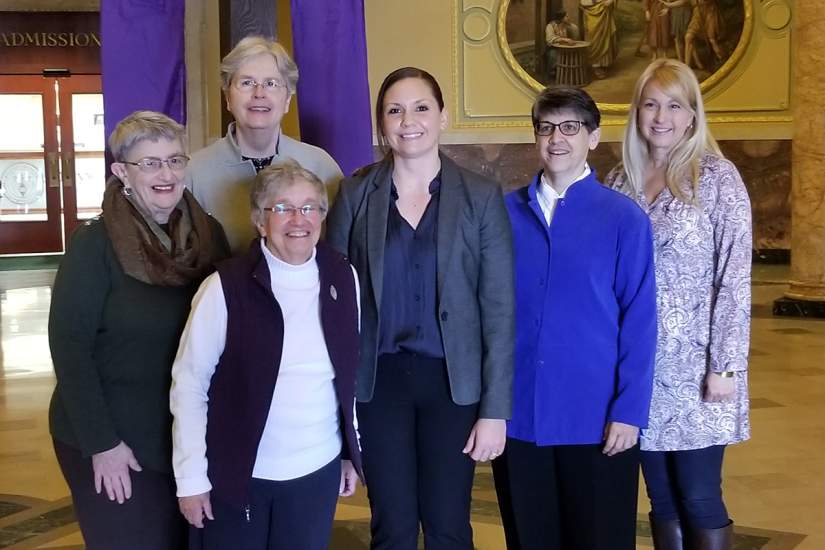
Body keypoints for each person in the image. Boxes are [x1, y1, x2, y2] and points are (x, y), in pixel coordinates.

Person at [326, 67, 514, 550]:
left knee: (449, 523)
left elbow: (498, 309)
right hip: (377, 383)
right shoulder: (355, 194)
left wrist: (494, 410)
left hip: (452, 386)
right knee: (391, 524)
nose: (408, 120)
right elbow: (333, 304)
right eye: (394, 110)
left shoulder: (480, 196)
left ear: (443, 116)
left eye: (420, 107)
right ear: (381, 124)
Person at [48, 111, 229, 549]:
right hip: (113, 435)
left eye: (174, 160)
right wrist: (102, 443)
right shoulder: (94, 245)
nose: (165, 173)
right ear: (121, 172)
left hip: (182, 437)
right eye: (149, 163)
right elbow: (69, 348)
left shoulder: (211, 237)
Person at [493, 86, 657, 550]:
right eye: (546, 128)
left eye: (570, 127)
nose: (556, 139)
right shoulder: (504, 214)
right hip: (521, 415)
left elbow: (641, 321)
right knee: (529, 537)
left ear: (593, 136)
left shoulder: (624, 218)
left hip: (598, 419)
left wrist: (629, 411)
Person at [170, 160, 362, 549]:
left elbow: (345, 375)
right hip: (242, 474)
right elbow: (190, 385)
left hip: (316, 471)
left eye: (310, 207)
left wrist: (348, 451)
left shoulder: (344, 276)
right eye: (283, 207)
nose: (299, 219)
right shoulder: (224, 287)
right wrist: (191, 479)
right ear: (260, 220)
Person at [605, 58, 751, 549]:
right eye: (650, 104)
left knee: (698, 495)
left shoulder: (717, 178)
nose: (661, 117)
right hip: (637, 369)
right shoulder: (617, 180)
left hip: (696, 370)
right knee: (661, 499)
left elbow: (734, 279)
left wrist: (725, 367)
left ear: (692, 114)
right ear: (637, 113)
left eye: (674, 105)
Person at [185, 35, 343, 254]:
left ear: (287, 99)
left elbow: (337, 250)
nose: (259, 94)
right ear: (228, 97)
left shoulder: (321, 166)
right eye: (247, 83)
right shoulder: (192, 172)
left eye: (271, 83)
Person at [580, 0, 618, 78]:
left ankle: (603, 64)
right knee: (593, 38)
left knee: (604, 37)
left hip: (604, 14)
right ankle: (595, 65)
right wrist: (597, 2)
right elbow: (583, 2)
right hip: (591, 13)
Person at [545, 11, 581, 80]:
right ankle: (553, 74)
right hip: (553, 48)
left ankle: (568, 75)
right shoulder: (550, 26)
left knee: (573, 55)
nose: (568, 18)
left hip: (564, 48)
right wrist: (564, 40)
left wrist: (571, 26)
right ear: (561, 18)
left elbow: (576, 31)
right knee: (553, 55)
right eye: (566, 16)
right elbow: (549, 39)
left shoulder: (565, 25)